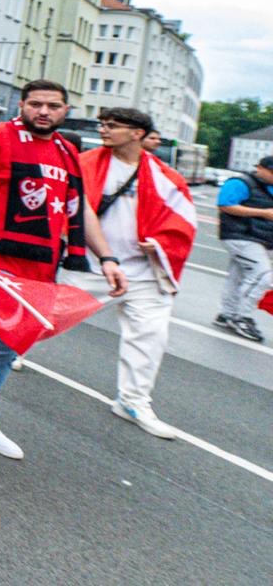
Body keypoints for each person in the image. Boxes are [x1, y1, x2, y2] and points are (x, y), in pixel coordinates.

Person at [0, 80, 128, 459]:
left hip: (40, 260)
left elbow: (80, 209)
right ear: (22, 105)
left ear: (65, 111)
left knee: (18, 336)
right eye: (35, 104)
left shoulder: (66, 151)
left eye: (53, 106)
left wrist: (107, 258)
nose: (43, 111)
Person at [78, 108, 198, 438]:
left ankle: (133, 401)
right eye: (103, 124)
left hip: (143, 272)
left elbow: (184, 221)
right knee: (48, 315)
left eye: (112, 126)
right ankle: (8, 351)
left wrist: (159, 244)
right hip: (90, 265)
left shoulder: (165, 177)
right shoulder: (83, 164)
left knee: (150, 336)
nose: (104, 130)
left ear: (137, 134)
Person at [212, 155, 273, 343]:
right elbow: (225, 205)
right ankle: (241, 317)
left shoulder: (267, 187)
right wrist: (263, 213)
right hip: (240, 236)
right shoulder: (240, 182)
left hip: (258, 238)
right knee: (262, 274)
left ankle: (227, 313)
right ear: (260, 168)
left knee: (238, 276)